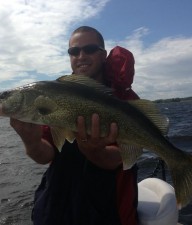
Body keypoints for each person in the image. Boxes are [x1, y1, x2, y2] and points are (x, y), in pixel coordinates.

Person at [10, 26, 139, 225]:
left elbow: (124, 157)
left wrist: (95, 152)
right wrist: (32, 141)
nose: (81, 56)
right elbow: (45, 155)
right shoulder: (57, 94)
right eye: (74, 51)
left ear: (103, 54)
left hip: (108, 207)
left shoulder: (125, 99)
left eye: (89, 49)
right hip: (58, 205)